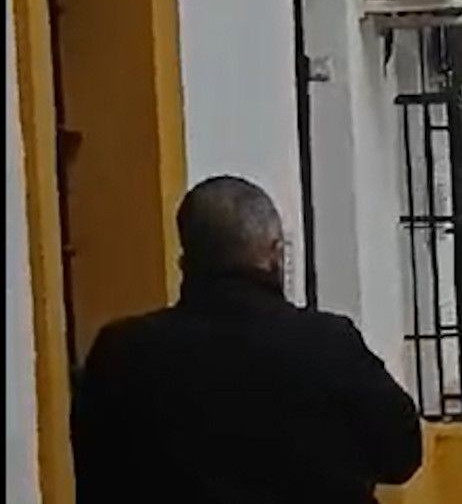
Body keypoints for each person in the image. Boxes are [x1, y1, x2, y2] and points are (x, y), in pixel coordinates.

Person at [71, 176, 422, 503]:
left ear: (186, 260)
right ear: (273, 253)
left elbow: (92, 476)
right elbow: (401, 453)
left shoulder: (121, 354)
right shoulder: (328, 344)